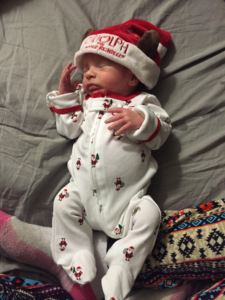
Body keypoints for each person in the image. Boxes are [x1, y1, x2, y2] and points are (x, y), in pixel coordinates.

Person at [46, 19, 172, 300]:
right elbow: (68, 129)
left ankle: (122, 264)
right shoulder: (87, 105)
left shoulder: (141, 103)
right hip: (83, 196)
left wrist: (140, 121)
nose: (89, 74)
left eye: (100, 66)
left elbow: (161, 133)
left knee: (151, 214)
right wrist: (67, 96)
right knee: (64, 200)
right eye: (86, 68)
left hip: (128, 203)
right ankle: (77, 252)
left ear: (133, 76)